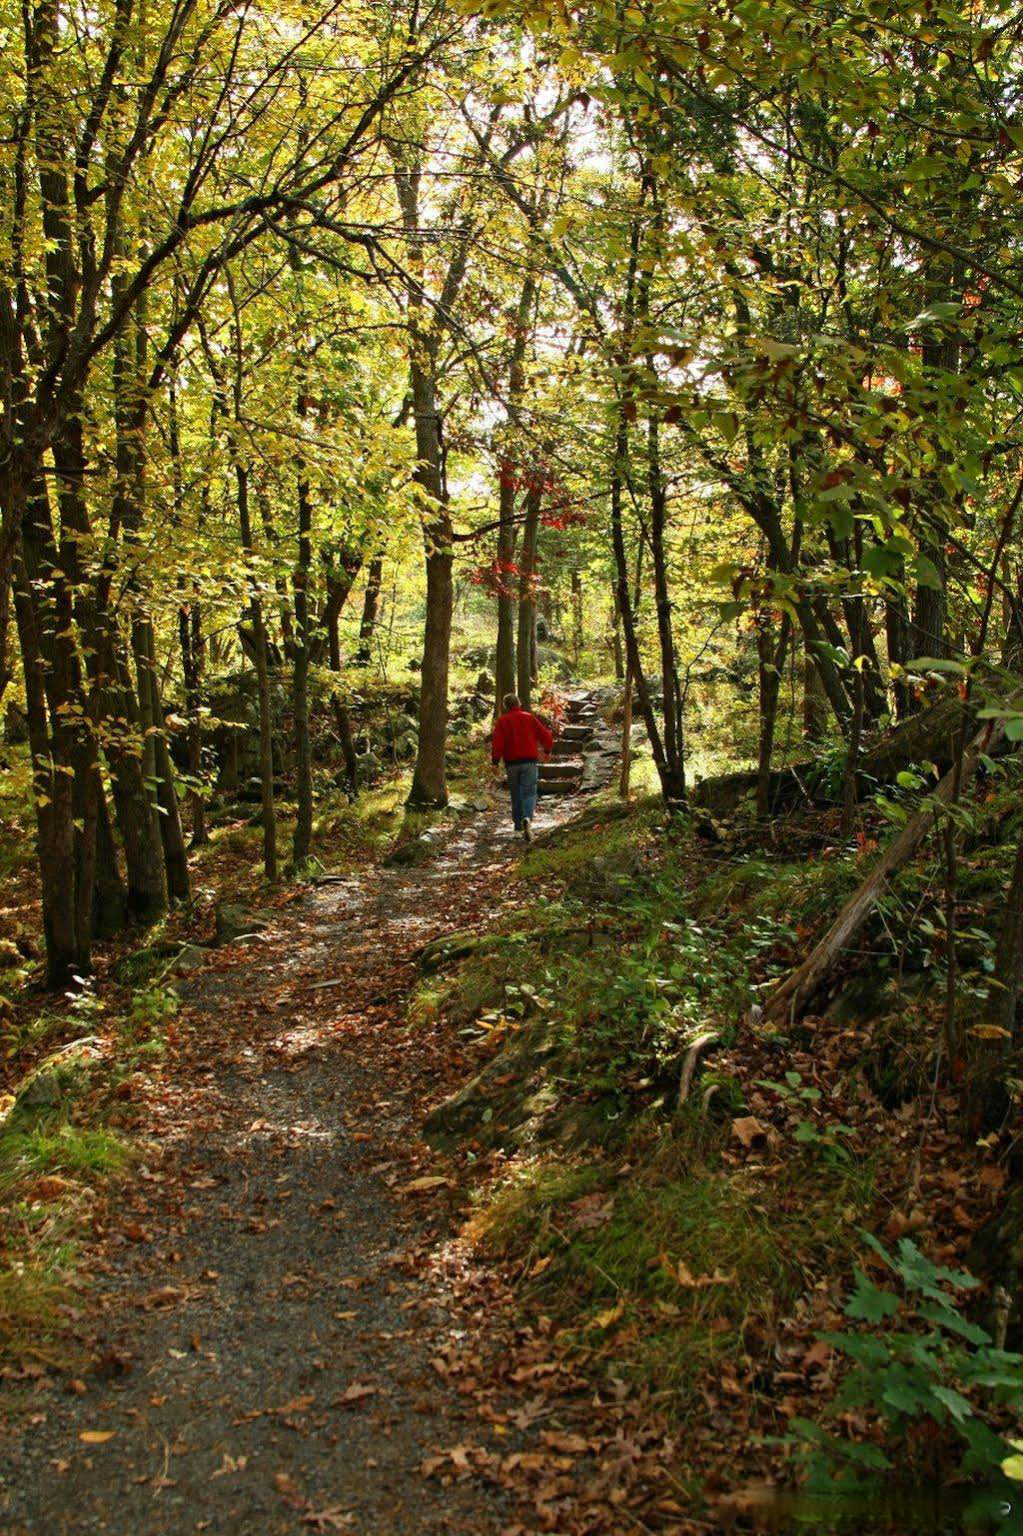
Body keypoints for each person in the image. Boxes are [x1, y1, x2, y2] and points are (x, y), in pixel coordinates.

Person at [491, 692, 553, 842]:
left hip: (511, 764)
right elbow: (545, 735)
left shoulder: (502, 721)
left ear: (506, 706)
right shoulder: (528, 717)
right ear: (519, 703)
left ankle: (518, 828)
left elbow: (498, 743)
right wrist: (547, 750)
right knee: (529, 791)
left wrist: (495, 762)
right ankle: (527, 818)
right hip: (529, 762)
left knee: (515, 794)